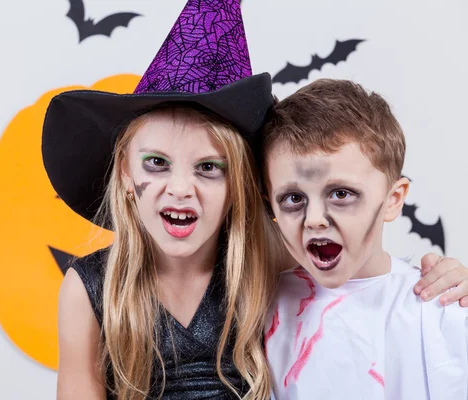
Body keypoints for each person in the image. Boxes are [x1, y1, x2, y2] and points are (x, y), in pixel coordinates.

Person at [43, 1, 285, 398]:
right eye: (157, 162)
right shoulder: (90, 290)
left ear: (238, 184)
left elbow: (364, 290)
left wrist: (423, 277)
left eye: (208, 167)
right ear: (125, 173)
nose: (180, 189)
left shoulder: (273, 266)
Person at [261, 79, 468, 399]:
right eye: (293, 199)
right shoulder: (258, 310)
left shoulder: (441, 310)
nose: (314, 219)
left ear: (393, 199)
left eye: (341, 193)